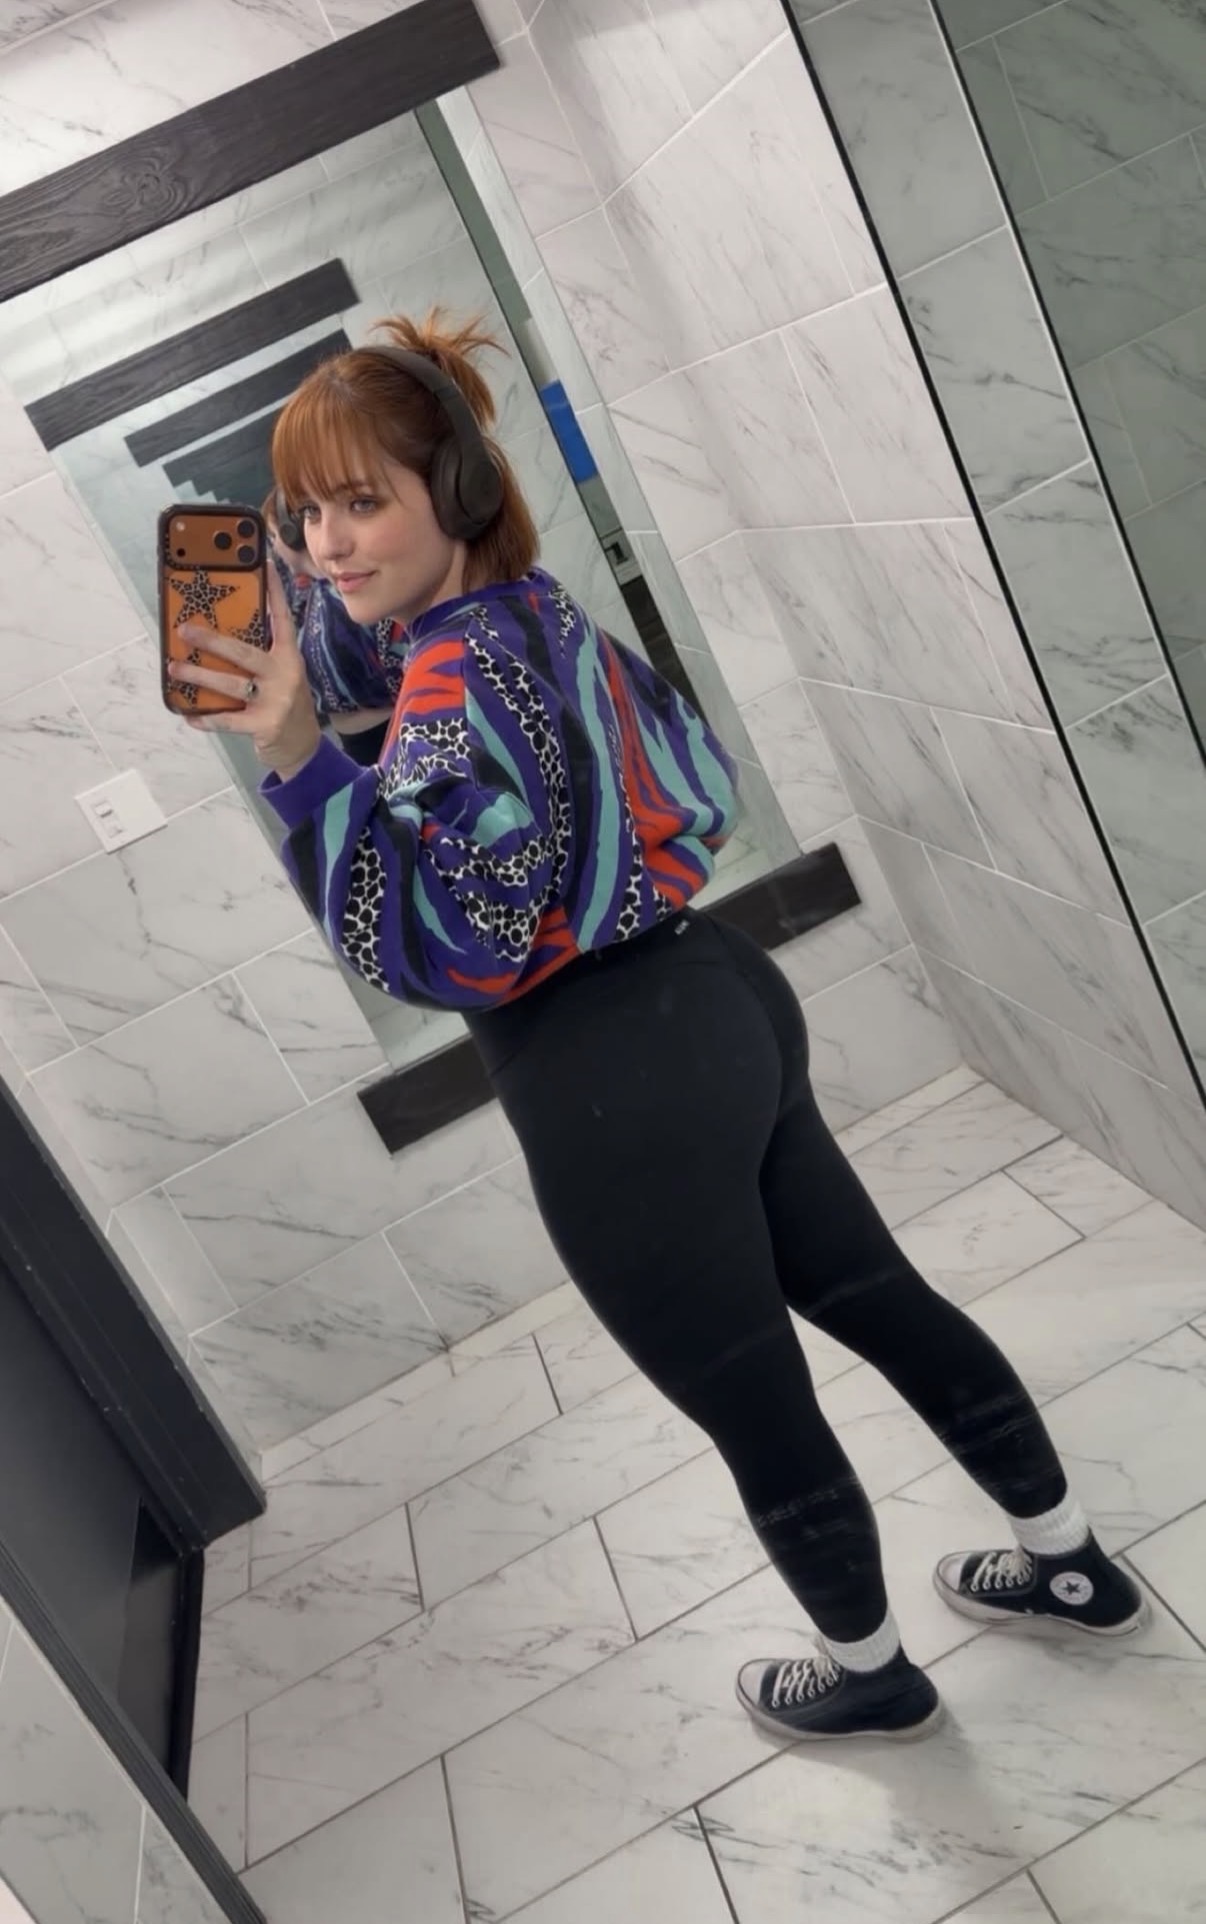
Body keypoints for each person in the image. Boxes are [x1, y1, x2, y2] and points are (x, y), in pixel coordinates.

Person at [172, 312, 1147, 1744]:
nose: (326, 543)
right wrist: (294, 596)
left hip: (606, 1085)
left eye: (358, 503)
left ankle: (872, 1676)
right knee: (879, 1295)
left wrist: (295, 758)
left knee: (755, 1402)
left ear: (456, 494)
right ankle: (1068, 1565)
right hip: (718, 998)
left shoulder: (445, 694)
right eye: (306, 512)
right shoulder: (529, 614)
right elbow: (380, 656)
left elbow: (440, 951)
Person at [263, 488, 402, 766]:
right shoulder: (315, 594)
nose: (275, 547)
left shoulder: (349, 598)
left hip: (389, 739)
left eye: (275, 536)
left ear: (292, 534)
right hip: (360, 745)